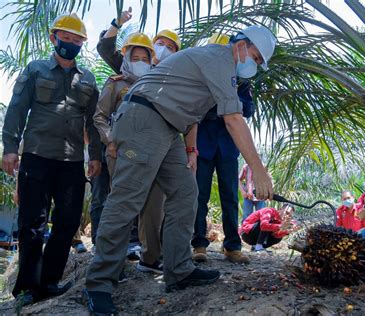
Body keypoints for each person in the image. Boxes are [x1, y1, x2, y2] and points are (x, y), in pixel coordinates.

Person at [83, 25, 276, 314]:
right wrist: (258, 170)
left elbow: (192, 110)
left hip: (168, 126)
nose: (255, 65)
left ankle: (178, 270)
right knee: (127, 199)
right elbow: (233, 119)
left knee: (186, 193)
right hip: (145, 117)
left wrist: (190, 149)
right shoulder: (220, 59)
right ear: (241, 44)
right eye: (256, 56)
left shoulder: (225, 68)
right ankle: (98, 282)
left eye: (260, 62)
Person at [2, 13, 101, 305]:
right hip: (36, 157)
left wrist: (94, 155)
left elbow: (93, 122)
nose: (70, 43)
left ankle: (49, 282)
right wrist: (10, 147)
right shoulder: (35, 70)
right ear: (53, 38)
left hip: (71, 162)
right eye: (65, 38)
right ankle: (26, 288)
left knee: (68, 222)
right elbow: (17, 109)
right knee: (32, 223)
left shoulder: (88, 79)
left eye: (76, 40)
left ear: (83, 43)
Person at [96, 9, 181, 274]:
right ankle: (111, 266)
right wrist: (110, 141)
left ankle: (150, 258)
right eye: (138, 56)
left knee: (154, 207)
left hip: (154, 152)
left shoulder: (162, 81)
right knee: (121, 206)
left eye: (170, 47)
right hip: (122, 152)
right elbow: (100, 116)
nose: (142, 61)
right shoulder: (118, 82)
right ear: (128, 57)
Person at [191, 33, 256, 264]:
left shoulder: (243, 82)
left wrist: (226, 102)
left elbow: (247, 110)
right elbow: (198, 109)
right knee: (199, 196)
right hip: (203, 146)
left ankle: (232, 246)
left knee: (230, 197)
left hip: (229, 147)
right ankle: (199, 244)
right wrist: (225, 106)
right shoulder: (200, 78)